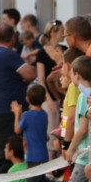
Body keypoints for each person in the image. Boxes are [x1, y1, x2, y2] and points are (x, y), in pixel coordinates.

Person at [0, 23, 36, 174]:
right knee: (10, 153)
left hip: (2, 110)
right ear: (12, 39)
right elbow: (31, 74)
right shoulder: (7, 53)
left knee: (7, 152)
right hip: (8, 112)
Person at [36, 20, 65, 155]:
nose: (63, 34)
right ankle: (50, 162)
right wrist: (48, 100)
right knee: (51, 135)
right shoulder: (42, 53)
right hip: (50, 97)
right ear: (53, 33)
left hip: (63, 95)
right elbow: (41, 79)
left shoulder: (64, 50)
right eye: (61, 31)